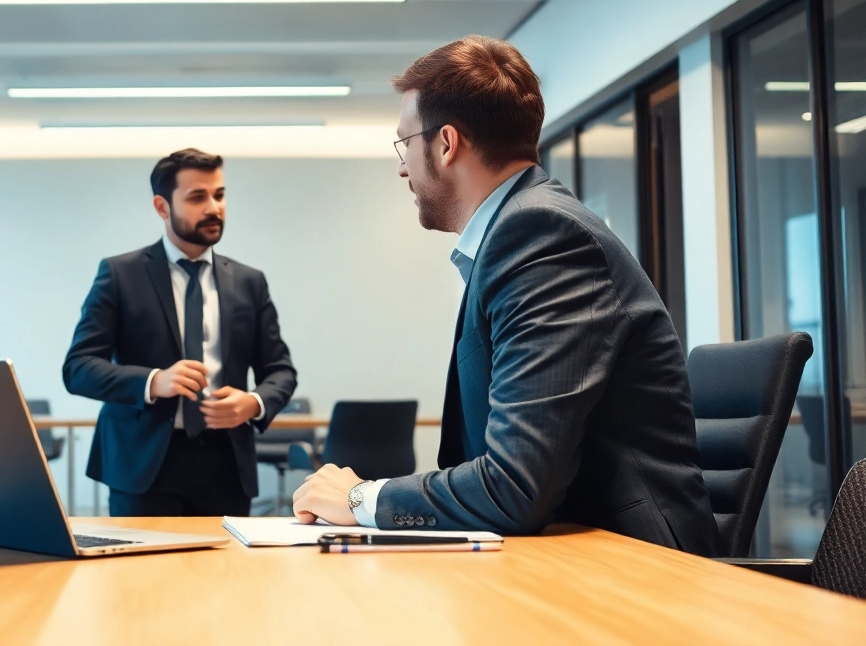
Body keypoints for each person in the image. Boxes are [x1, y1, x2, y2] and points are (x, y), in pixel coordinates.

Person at [292, 36, 719, 555]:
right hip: (571, 548)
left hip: (633, 569)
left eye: (406, 146)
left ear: (447, 144)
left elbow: (514, 486)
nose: (401, 168)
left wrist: (362, 499)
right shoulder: (517, 233)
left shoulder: (541, 236)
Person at [63, 148, 297, 517]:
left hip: (227, 463)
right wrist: (154, 381)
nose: (213, 208)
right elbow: (77, 369)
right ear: (162, 207)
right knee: (142, 577)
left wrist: (253, 403)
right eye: (197, 197)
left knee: (224, 575)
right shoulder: (120, 275)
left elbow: (281, 371)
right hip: (143, 465)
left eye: (219, 195)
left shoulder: (249, 282)